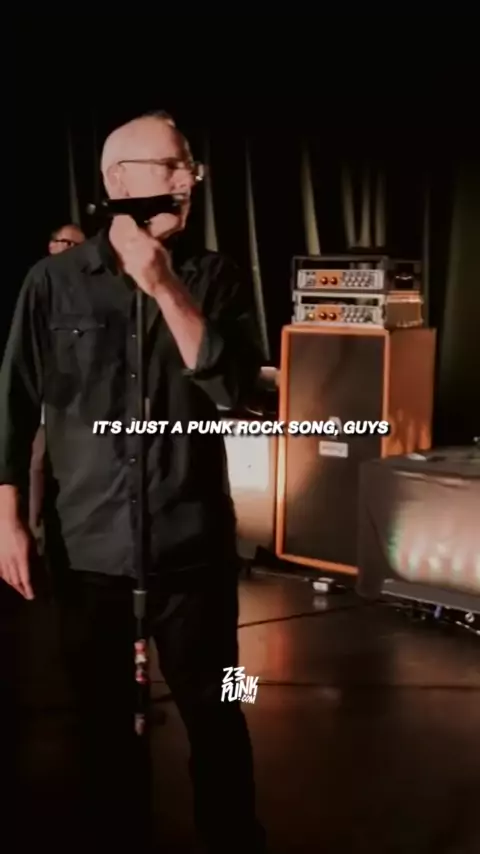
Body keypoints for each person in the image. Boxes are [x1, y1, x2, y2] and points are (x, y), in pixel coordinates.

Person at [0, 111, 266, 853]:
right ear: (118, 181)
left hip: (197, 553)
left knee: (225, 703)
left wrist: (164, 287)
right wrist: (7, 516)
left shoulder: (217, 276)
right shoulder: (52, 282)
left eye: (191, 168)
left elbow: (234, 390)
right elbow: (13, 404)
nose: (187, 181)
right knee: (102, 724)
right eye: (170, 166)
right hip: (89, 553)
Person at [29, 224, 87, 544]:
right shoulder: (39, 286)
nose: (75, 252)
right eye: (68, 243)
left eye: (81, 246)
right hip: (44, 396)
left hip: (79, 403)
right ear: (52, 246)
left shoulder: (89, 290)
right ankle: (33, 533)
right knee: (36, 465)